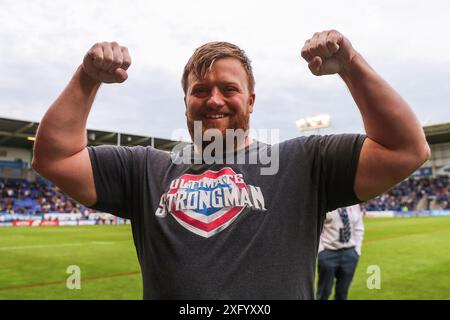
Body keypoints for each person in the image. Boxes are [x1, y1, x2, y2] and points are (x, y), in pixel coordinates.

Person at [32, 30, 430, 299]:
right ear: (186, 102)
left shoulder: (304, 162)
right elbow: (54, 156)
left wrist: (351, 64)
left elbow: (405, 149)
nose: (214, 100)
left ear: (251, 101)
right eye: (199, 90)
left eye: (229, 89)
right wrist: (87, 78)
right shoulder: (143, 170)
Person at [317, 204, 364, 300]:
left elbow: (359, 227)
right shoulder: (326, 203)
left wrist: (356, 251)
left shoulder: (354, 204)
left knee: (342, 293)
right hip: (328, 254)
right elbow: (316, 229)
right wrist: (321, 251)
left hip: (350, 254)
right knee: (324, 292)